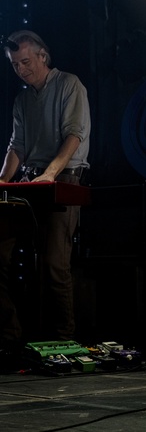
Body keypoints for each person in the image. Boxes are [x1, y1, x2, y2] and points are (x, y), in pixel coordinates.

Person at [0, 30, 90, 365]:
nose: (21, 69)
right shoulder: (22, 100)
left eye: (25, 61)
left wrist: (50, 174)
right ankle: (9, 337)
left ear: (43, 56)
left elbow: (74, 135)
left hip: (62, 178)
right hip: (28, 183)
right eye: (15, 64)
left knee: (54, 263)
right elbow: (17, 147)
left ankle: (64, 338)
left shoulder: (69, 84)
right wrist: (2, 181)